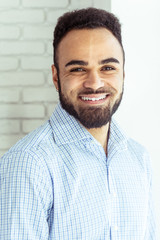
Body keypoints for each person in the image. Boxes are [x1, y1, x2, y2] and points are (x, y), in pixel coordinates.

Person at [0, 8, 156, 240]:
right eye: (78, 69)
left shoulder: (138, 158)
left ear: (123, 73)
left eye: (108, 68)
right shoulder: (28, 162)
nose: (94, 83)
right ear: (56, 77)